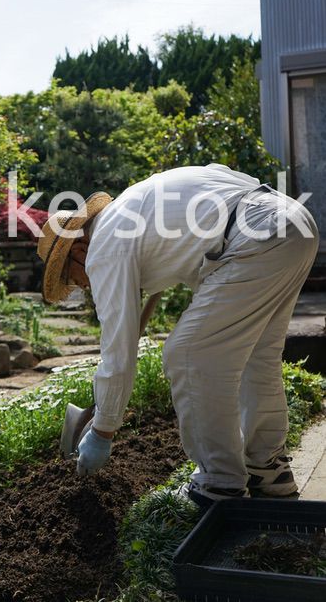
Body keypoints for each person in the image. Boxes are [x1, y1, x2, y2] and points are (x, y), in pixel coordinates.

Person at [37, 164, 318, 505]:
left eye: (72, 278)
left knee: (187, 355)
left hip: (257, 236)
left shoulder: (104, 247)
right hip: (293, 222)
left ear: (78, 250)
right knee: (255, 358)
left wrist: (102, 431)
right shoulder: (132, 211)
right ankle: (268, 471)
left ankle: (219, 484)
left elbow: (117, 353)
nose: (82, 286)